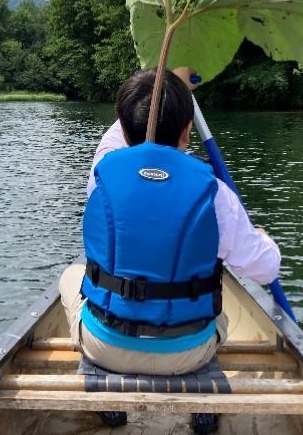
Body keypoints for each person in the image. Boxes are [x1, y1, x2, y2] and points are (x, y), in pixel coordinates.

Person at [59, 68, 281, 433]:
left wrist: (157, 89)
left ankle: (107, 394)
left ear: (126, 127)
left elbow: (118, 136)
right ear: (187, 131)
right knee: (221, 305)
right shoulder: (214, 194)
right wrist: (261, 237)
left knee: (71, 276)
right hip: (188, 353)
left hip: (107, 347)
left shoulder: (101, 175)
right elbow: (265, 270)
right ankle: (202, 403)